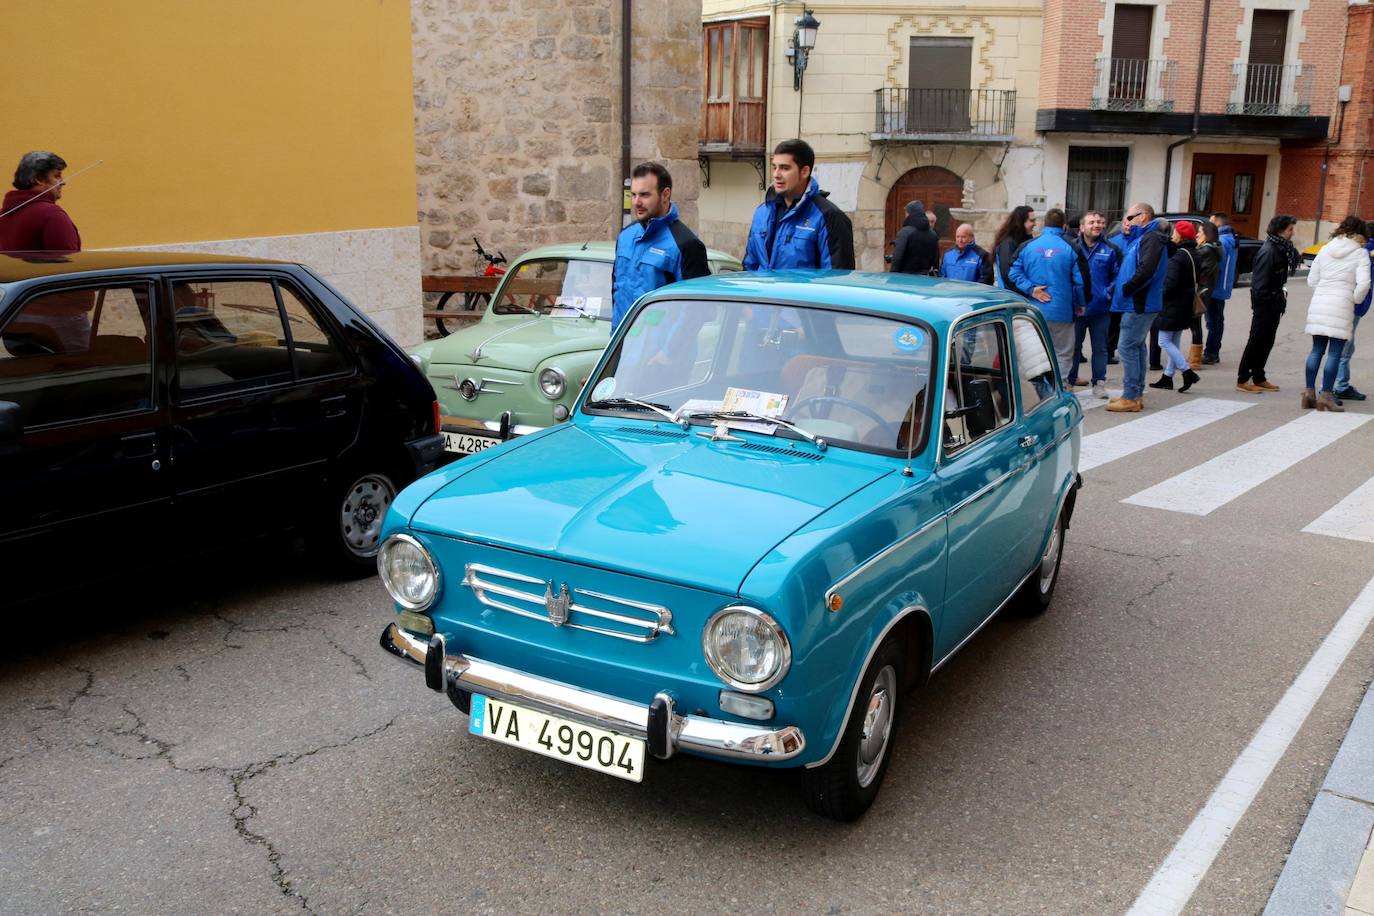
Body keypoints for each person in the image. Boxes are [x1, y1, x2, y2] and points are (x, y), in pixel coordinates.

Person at [611, 162, 709, 329]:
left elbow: (696, 312)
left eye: (644, 195)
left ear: (665, 195)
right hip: (623, 347)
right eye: (633, 195)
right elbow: (617, 293)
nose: (636, 202)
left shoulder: (687, 244)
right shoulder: (625, 236)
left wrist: (667, 353)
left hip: (660, 351)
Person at [743, 139, 854, 271]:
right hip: (762, 292)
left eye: (785, 168)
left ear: (804, 172)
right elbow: (749, 269)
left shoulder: (829, 217)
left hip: (801, 292)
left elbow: (836, 280)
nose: (776, 174)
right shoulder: (761, 212)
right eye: (774, 167)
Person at [1302, 215, 1370, 411]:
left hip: (1320, 302)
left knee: (1316, 350)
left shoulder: (1325, 249)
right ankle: (1326, 396)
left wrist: (1323, 291)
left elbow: (1311, 280)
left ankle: (1308, 393)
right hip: (1342, 303)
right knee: (1334, 353)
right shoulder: (1360, 253)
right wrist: (1355, 298)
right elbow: (1364, 283)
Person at [1009, 209, 1086, 380]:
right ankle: (1061, 387)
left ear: (1044, 224)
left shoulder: (1027, 246)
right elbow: (1080, 282)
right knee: (1063, 353)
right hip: (1062, 312)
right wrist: (1081, 304)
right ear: (1064, 226)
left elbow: (1013, 273)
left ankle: (1041, 391)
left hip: (1034, 311)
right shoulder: (1072, 248)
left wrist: (1031, 289)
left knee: (1036, 355)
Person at [1106, 202, 1169, 412]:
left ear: (1143, 217)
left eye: (1131, 217)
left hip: (1138, 303)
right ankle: (1136, 393)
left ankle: (1131, 395)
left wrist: (1127, 288)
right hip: (1138, 302)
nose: (1127, 221)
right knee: (1137, 346)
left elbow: (1146, 270)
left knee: (1126, 347)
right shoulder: (1145, 237)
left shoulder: (1151, 238)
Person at [1237, 214, 1300, 393]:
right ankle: (1243, 378)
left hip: (1274, 301)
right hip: (1265, 303)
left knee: (1267, 341)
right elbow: (1259, 284)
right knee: (1257, 340)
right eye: (1290, 229)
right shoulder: (1269, 251)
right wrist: (1267, 303)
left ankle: (1259, 376)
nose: (1292, 233)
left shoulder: (1280, 248)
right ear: (1280, 231)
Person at [1073, 210, 1122, 398]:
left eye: (1100, 222)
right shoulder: (1071, 247)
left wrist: (1106, 293)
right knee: (1074, 348)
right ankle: (1070, 381)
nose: (1097, 225)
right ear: (1082, 227)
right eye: (1092, 222)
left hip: (1100, 309)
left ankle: (1099, 383)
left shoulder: (1111, 249)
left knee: (1100, 348)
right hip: (1076, 309)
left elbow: (1117, 276)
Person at [1149, 220, 1203, 393]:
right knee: (1174, 341)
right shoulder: (1194, 253)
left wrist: (1158, 296)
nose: (1173, 235)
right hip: (1185, 303)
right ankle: (1168, 376)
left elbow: (1170, 284)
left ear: (1180, 235)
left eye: (1175, 232)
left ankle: (1187, 372)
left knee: (1163, 340)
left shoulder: (1178, 256)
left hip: (1172, 304)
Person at [0, 151, 81, 252]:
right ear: (39, 179)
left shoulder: (3, 215)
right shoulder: (51, 215)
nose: (63, 182)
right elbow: (70, 264)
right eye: (57, 176)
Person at [1333, 224, 1374, 403]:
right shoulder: (1365, 250)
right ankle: (1336, 386)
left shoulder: (1358, 248)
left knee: (1345, 347)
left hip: (1349, 304)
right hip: (1351, 304)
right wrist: (1357, 301)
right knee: (1342, 348)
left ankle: (1341, 384)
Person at [1203, 212, 1239, 364]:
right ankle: (1213, 351)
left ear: (1218, 224)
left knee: (1213, 322)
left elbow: (1215, 264)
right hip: (1223, 286)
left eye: (1211, 222)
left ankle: (1211, 353)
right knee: (1217, 320)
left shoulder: (1222, 241)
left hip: (1215, 286)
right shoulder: (1232, 239)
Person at [1190, 221, 1222, 368]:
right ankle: (1195, 357)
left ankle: (1195, 359)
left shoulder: (1205, 251)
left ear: (1207, 235)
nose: (1197, 234)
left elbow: (1197, 272)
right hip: (1205, 291)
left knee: (1195, 324)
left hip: (1200, 293)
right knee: (1196, 324)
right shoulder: (1211, 250)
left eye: (1200, 232)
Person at [992, 206, 1036, 295]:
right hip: (1011, 297)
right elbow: (1007, 275)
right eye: (1031, 220)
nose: (1035, 224)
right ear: (1020, 222)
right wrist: (1029, 290)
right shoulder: (1007, 244)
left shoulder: (1028, 241)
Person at [890, 200, 939, 275]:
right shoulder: (933, 235)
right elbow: (935, 259)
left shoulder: (905, 232)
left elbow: (897, 257)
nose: (905, 215)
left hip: (904, 278)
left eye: (906, 212)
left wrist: (892, 275)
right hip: (924, 278)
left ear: (910, 213)